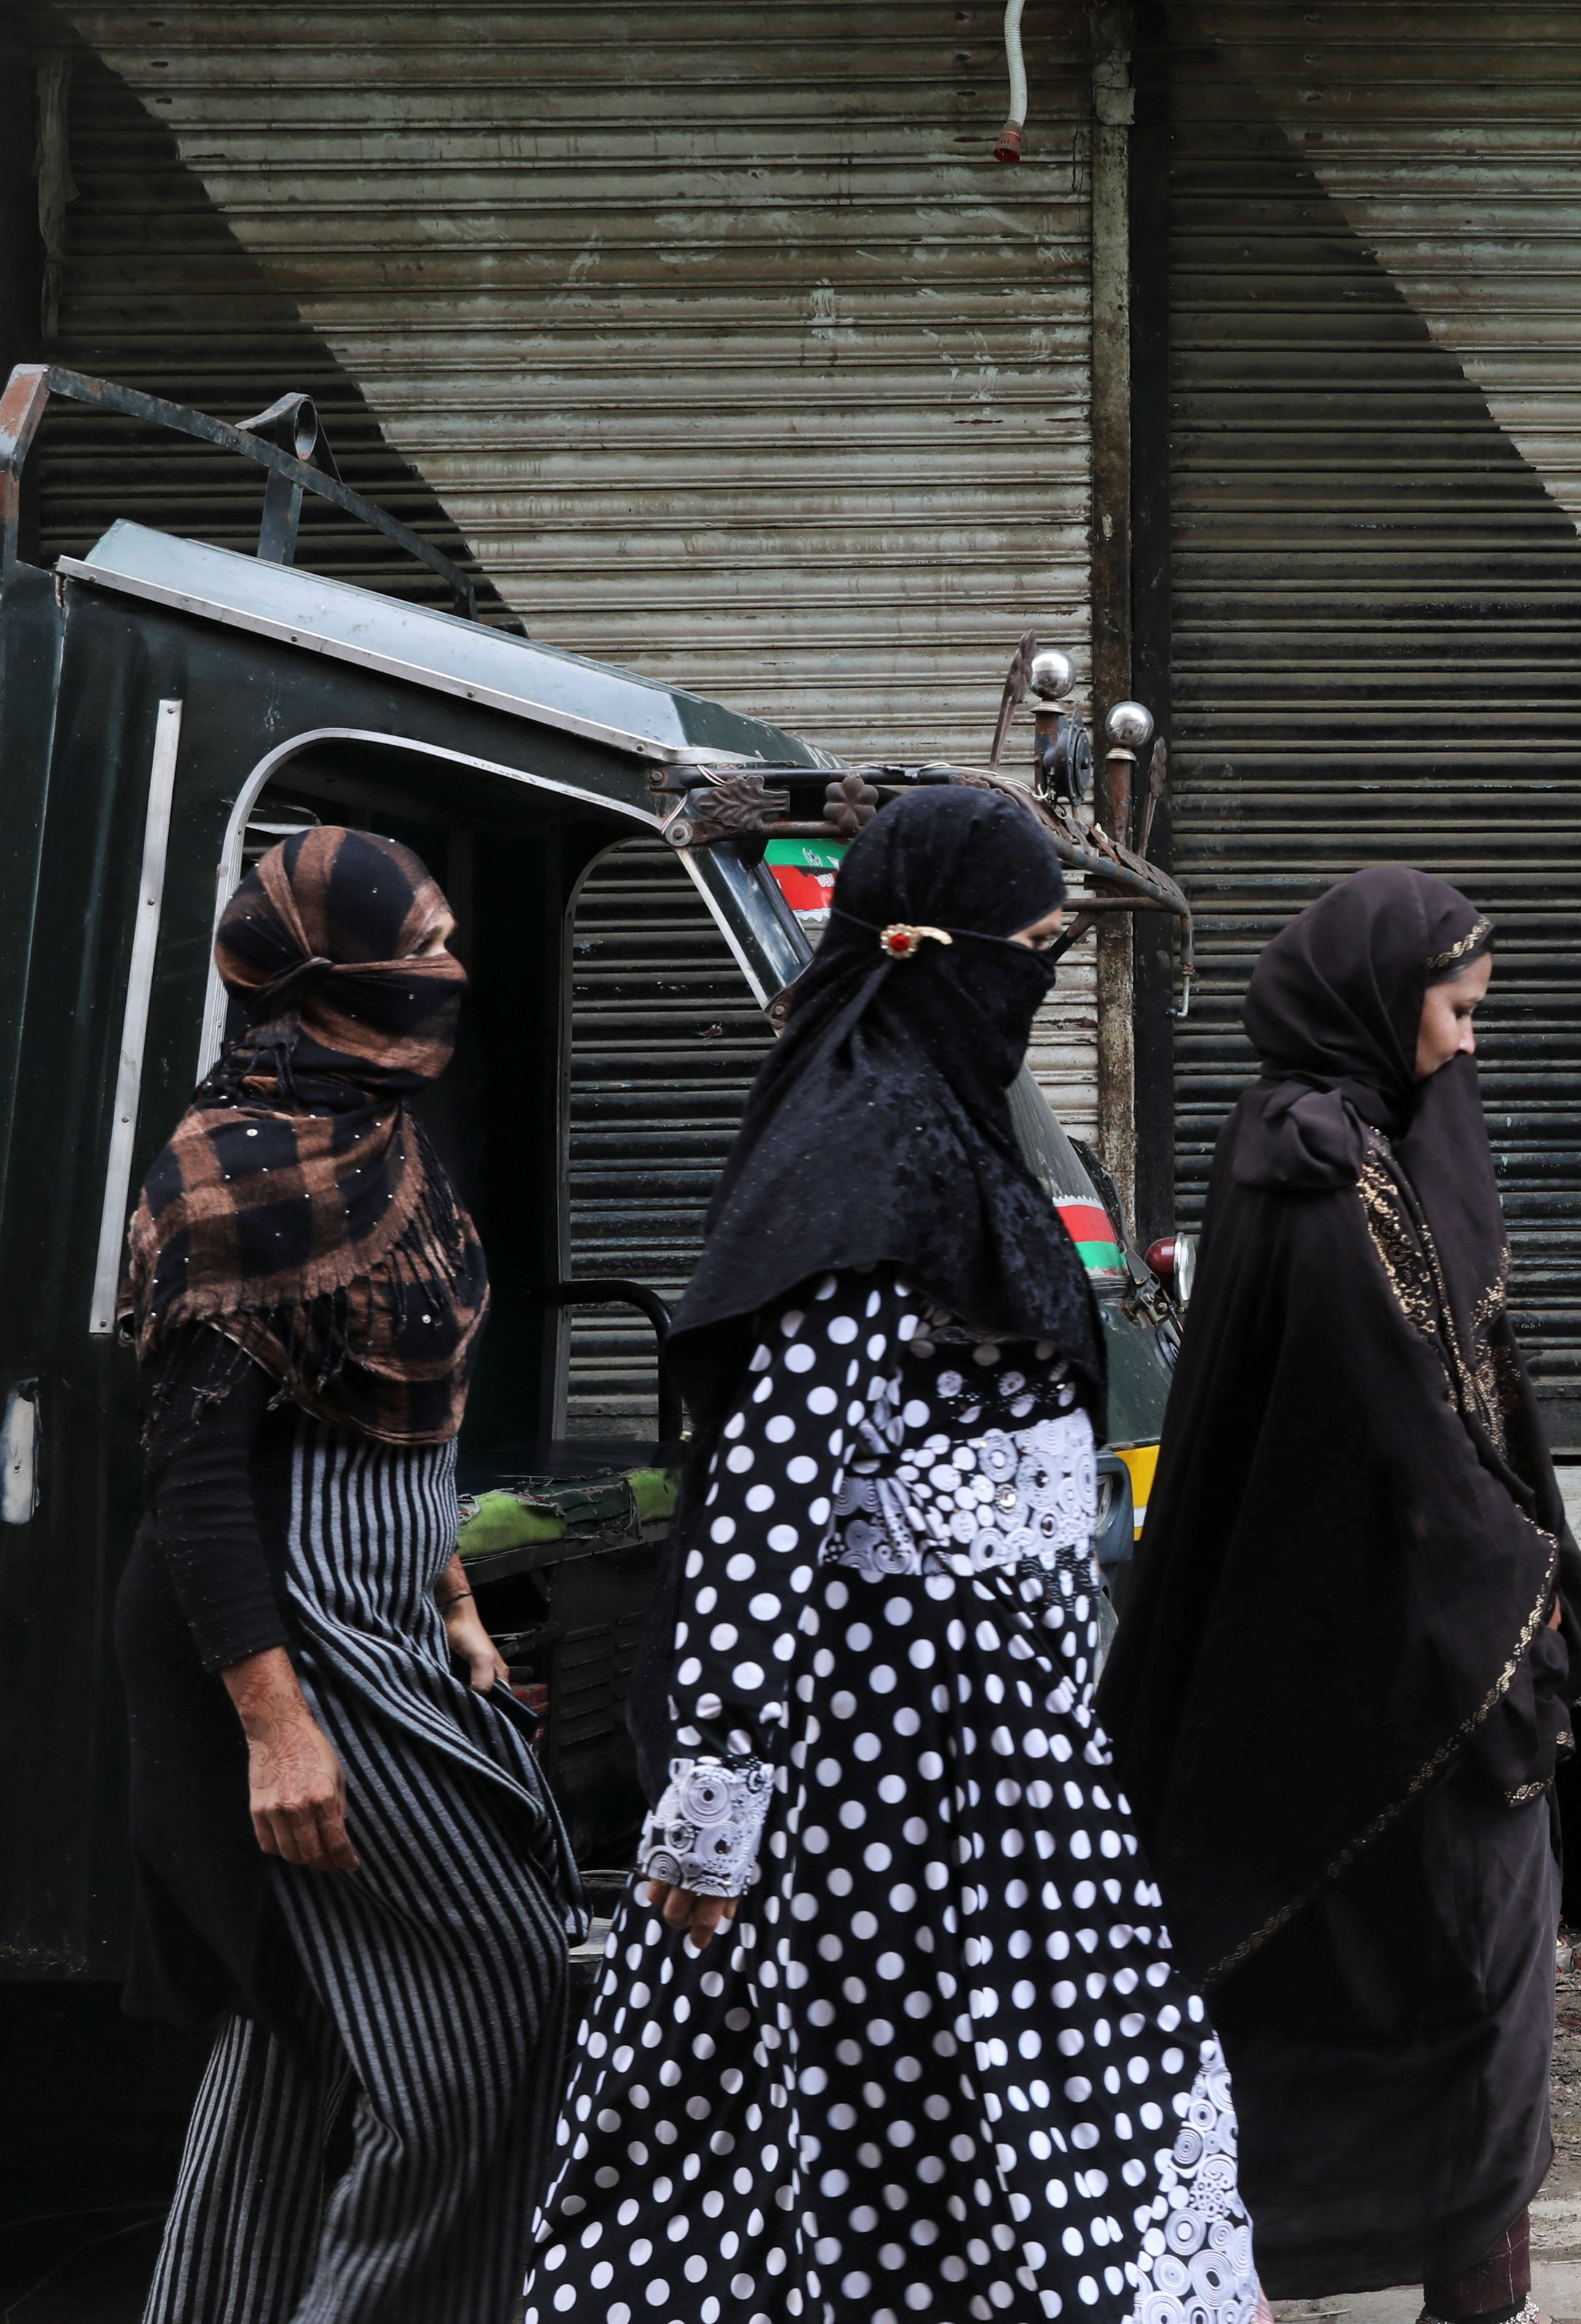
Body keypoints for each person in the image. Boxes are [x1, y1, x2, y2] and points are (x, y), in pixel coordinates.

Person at [519, 783, 1262, 2324]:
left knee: (961, 2092)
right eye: (1034, 950)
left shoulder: (926, 1123)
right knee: (927, 2092)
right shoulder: (871, 1150)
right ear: (933, 952)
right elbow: (771, 1485)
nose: (1040, 982)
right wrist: (715, 1792)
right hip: (896, 1753)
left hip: (982, 1738)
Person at [1099, 865, 1581, 2323]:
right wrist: (1515, 1611)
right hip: (1387, 1670)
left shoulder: (1338, 1146)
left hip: (1374, 1655)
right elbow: (1394, 1440)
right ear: (1379, 1002)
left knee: (1410, 1992)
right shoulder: (1318, 1172)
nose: (1466, 1045)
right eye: (1453, 1013)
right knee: (1447, 1985)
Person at [116, 828, 578, 2324]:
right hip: (280, 1625)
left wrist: (452, 1609)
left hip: (387, 1612)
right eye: (423, 944)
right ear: (330, 981)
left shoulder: (381, 1129)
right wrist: (277, 1724)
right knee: (494, 1998)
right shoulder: (227, 1168)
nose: (452, 969)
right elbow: (193, 1477)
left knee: (309, 2022)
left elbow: (399, 1407)